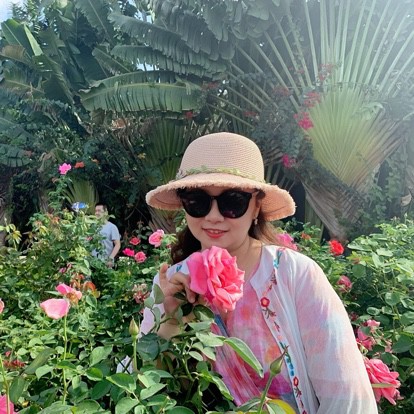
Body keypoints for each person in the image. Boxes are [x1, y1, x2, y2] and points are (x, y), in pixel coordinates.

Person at [141, 132, 378, 413]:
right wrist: (170, 324)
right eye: (197, 201)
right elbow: (147, 389)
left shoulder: (294, 275)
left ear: (256, 206)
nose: (213, 216)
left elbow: (348, 399)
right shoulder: (170, 284)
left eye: (233, 201)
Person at [93, 204, 121, 268]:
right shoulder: (93, 226)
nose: (97, 213)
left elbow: (117, 244)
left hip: (106, 262)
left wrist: (111, 258)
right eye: (95, 211)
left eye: (99, 211)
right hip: (92, 262)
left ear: (105, 212)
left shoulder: (112, 227)